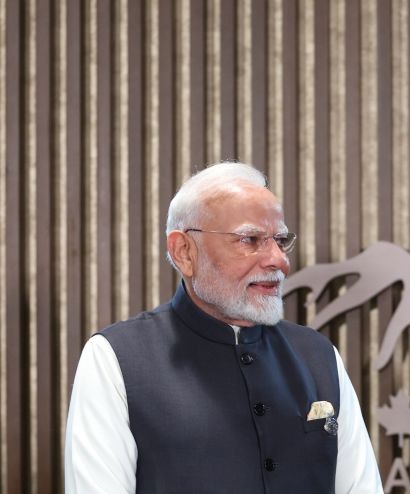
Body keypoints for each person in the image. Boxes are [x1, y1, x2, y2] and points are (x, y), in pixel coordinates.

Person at [65, 161, 383, 493]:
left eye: (280, 240)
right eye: (250, 239)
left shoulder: (319, 356)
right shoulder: (114, 360)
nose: (279, 260)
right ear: (184, 252)